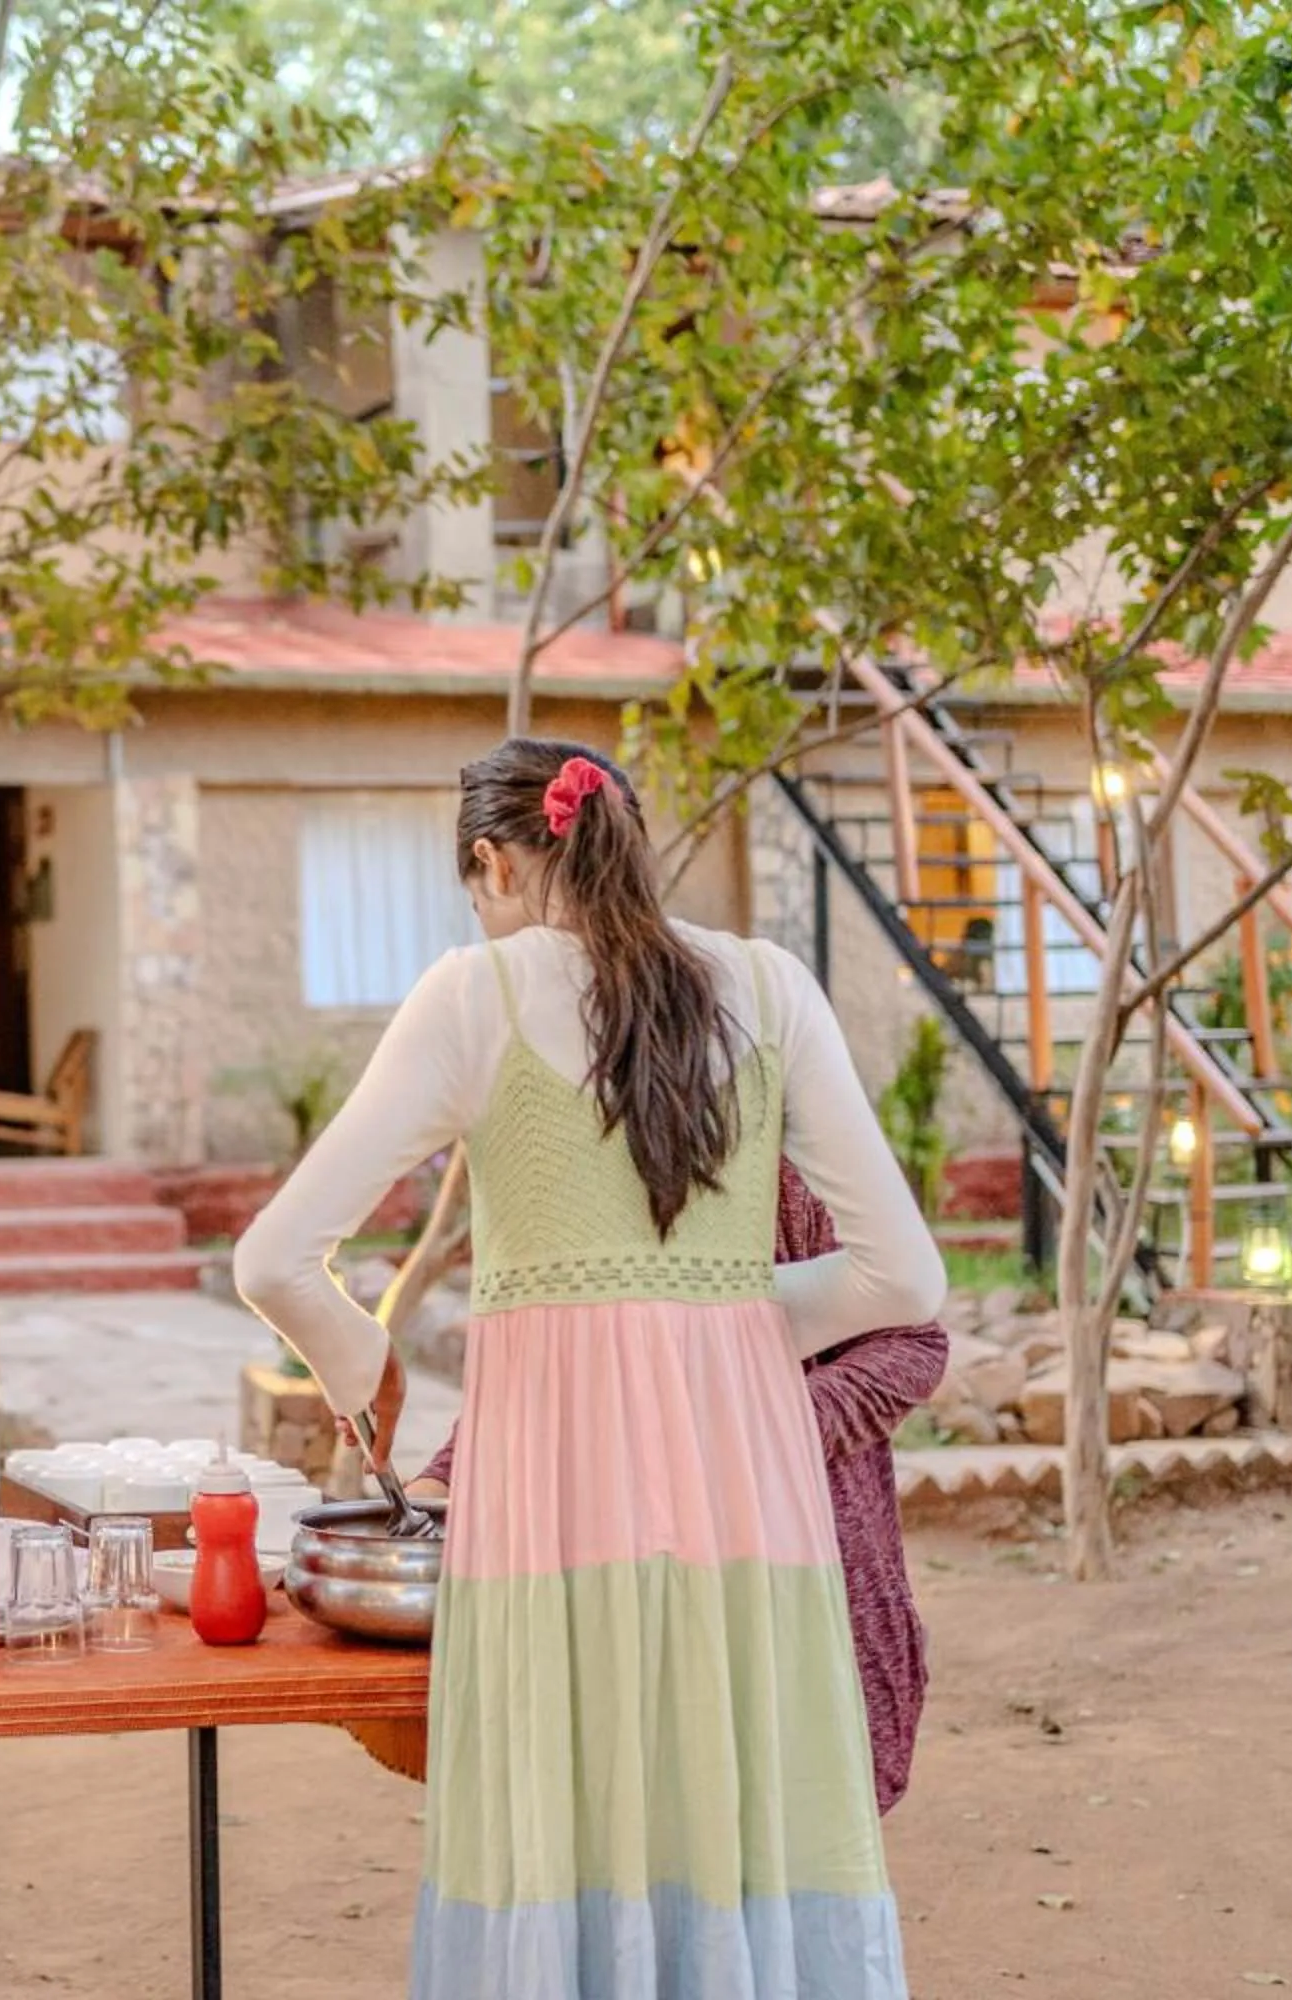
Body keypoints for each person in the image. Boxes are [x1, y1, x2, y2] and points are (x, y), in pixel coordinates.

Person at [235, 739, 943, 1999]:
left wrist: (363, 1358)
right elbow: (903, 1280)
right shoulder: (770, 984)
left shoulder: (472, 995)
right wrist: (712, 1324)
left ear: (491, 862)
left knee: (562, 1816)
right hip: (747, 1490)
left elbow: (279, 1257)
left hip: (553, 1494)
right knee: (731, 1809)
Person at [407, 1159, 947, 1816]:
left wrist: (762, 1424)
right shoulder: (572, 1175)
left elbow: (913, 1339)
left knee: (789, 1828)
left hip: (789, 1565)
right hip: (624, 1588)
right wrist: (443, 1476)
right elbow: (547, 1366)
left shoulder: (793, 1168)